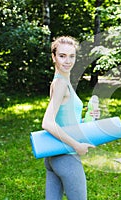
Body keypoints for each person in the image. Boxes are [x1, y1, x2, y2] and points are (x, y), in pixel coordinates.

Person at [42, 36, 97, 200]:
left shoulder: (60, 81)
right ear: (54, 57)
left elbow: (65, 121)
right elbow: (48, 122)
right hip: (67, 157)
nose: (67, 61)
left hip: (53, 156)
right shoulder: (60, 84)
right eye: (62, 55)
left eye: (71, 56)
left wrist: (88, 116)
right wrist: (77, 146)